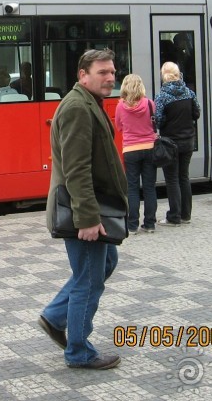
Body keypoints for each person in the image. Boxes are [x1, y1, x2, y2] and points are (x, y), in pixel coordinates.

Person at [40, 49, 127, 370]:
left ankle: (55, 317)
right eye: (102, 72)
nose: (110, 77)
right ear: (83, 75)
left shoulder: (88, 102)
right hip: (84, 211)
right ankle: (78, 351)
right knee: (88, 280)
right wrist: (88, 219)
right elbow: (77, 170)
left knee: (104, 264)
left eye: (112, 71)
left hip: (90, 207)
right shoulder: (78, 108)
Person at [154, 62, 200, 226]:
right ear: (178, 73)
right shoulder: (189, 93)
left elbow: (158, 120)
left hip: (170, 144)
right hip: (188, 141)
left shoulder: (162, 97)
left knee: (172, 179)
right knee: (184, 177)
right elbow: (196, 113)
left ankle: (174, 216)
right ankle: (186, 215)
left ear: (163, 75)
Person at [114, 74, 157, 234]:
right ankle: (150, 224)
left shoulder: (120, 106)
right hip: (150, 148)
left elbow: (119, 126)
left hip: (130, 150)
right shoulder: (150, 103)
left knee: (132, 188)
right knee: (149, 187)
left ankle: (132, 225)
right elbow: (154, 122)